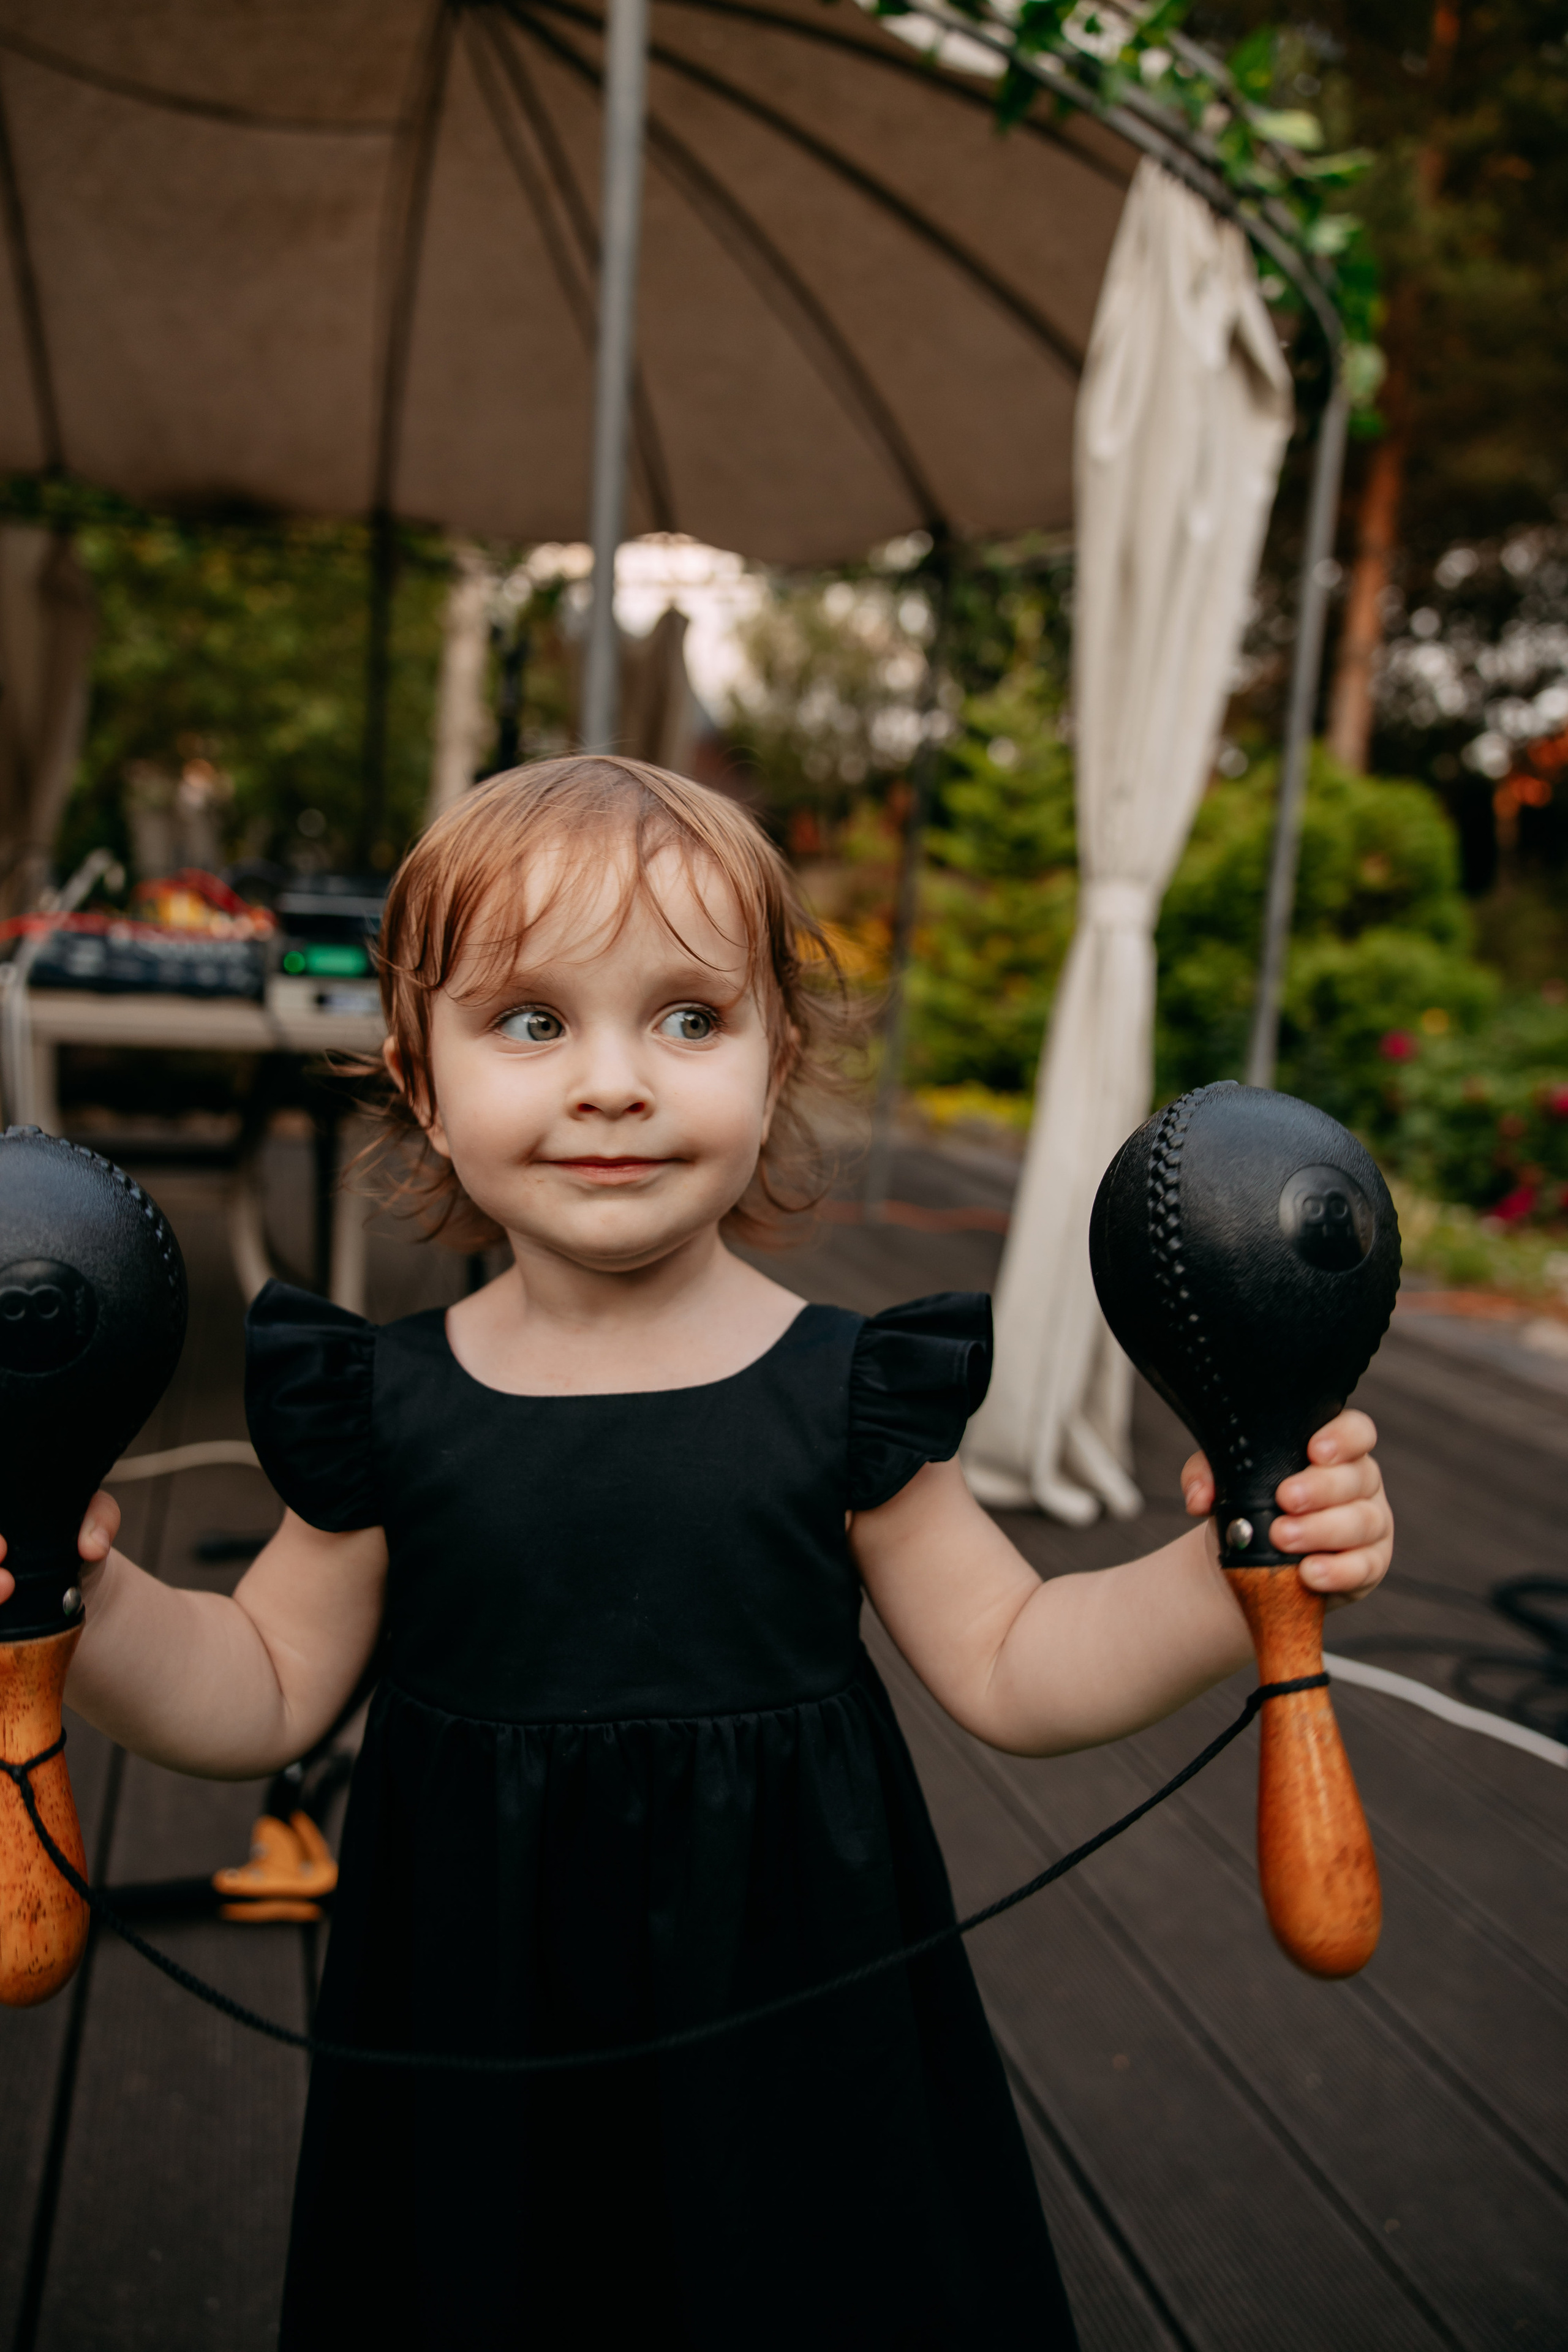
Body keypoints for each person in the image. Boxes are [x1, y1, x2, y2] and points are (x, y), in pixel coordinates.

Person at [0, 758, 1393, 2350]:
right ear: (418, 1075)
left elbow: (1016, 1665)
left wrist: (1234, 1569)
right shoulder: (382, 1404)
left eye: (687, 1018)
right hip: (479, 2000)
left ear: (776, 1055)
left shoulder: (845, 1393)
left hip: (801, 1990)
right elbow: (251, 1693)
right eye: (531, 1021)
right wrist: (81, 1597)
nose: (614, 1083)